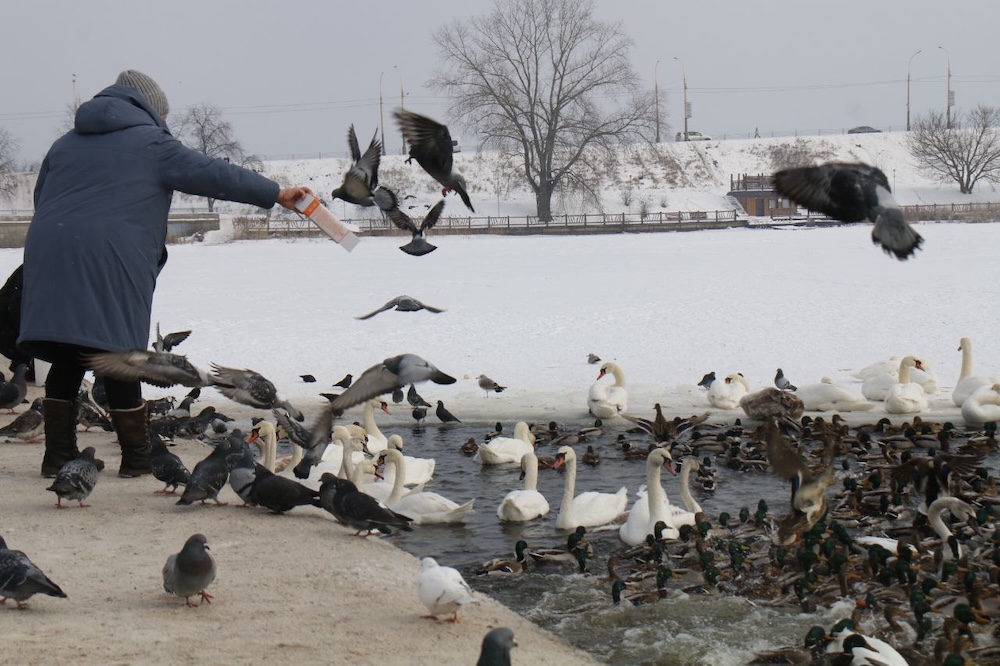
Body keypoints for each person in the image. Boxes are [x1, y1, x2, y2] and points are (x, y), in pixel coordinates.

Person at [18, 69, 315, 478]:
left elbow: (44, 197)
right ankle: (137, 457)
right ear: (149, 108)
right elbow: (214, 174)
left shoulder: (64, 144)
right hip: (110, 253)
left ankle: (57, 457)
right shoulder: (152, 143)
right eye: (164, 113)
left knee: (68, 348)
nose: (165, 121)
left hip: (50, 247)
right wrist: (275, 193)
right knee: (118, 352)